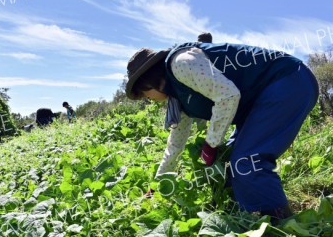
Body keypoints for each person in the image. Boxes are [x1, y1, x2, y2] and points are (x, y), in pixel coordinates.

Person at [125, 37, 319, 219]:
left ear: (150, 81)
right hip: (261, 98)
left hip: (288, 80)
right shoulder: (177, 100)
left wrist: (211, 144)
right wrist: (158, 185)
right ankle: (244, 214)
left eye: (144, 94)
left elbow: (228, 95)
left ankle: (279, 225)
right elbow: (174, 145)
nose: (147, 99)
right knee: (227, 160)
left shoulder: (181, 64)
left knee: (246, 161)